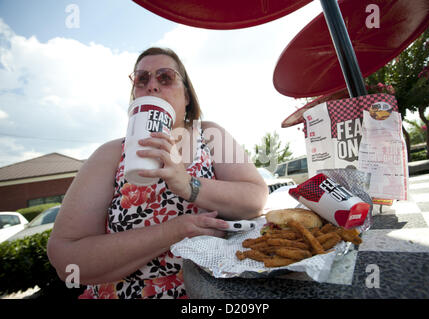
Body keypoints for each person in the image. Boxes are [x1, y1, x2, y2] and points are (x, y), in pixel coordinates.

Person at [47, 47, 268, 299]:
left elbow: (256, 199)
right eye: (142, 79)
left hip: (214, 291)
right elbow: (66, 259)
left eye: (165, 77)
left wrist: (188, 185)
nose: (152, 85)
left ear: (186, 95)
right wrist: (173, 231)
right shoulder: (108, 154)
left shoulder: (210, 135)